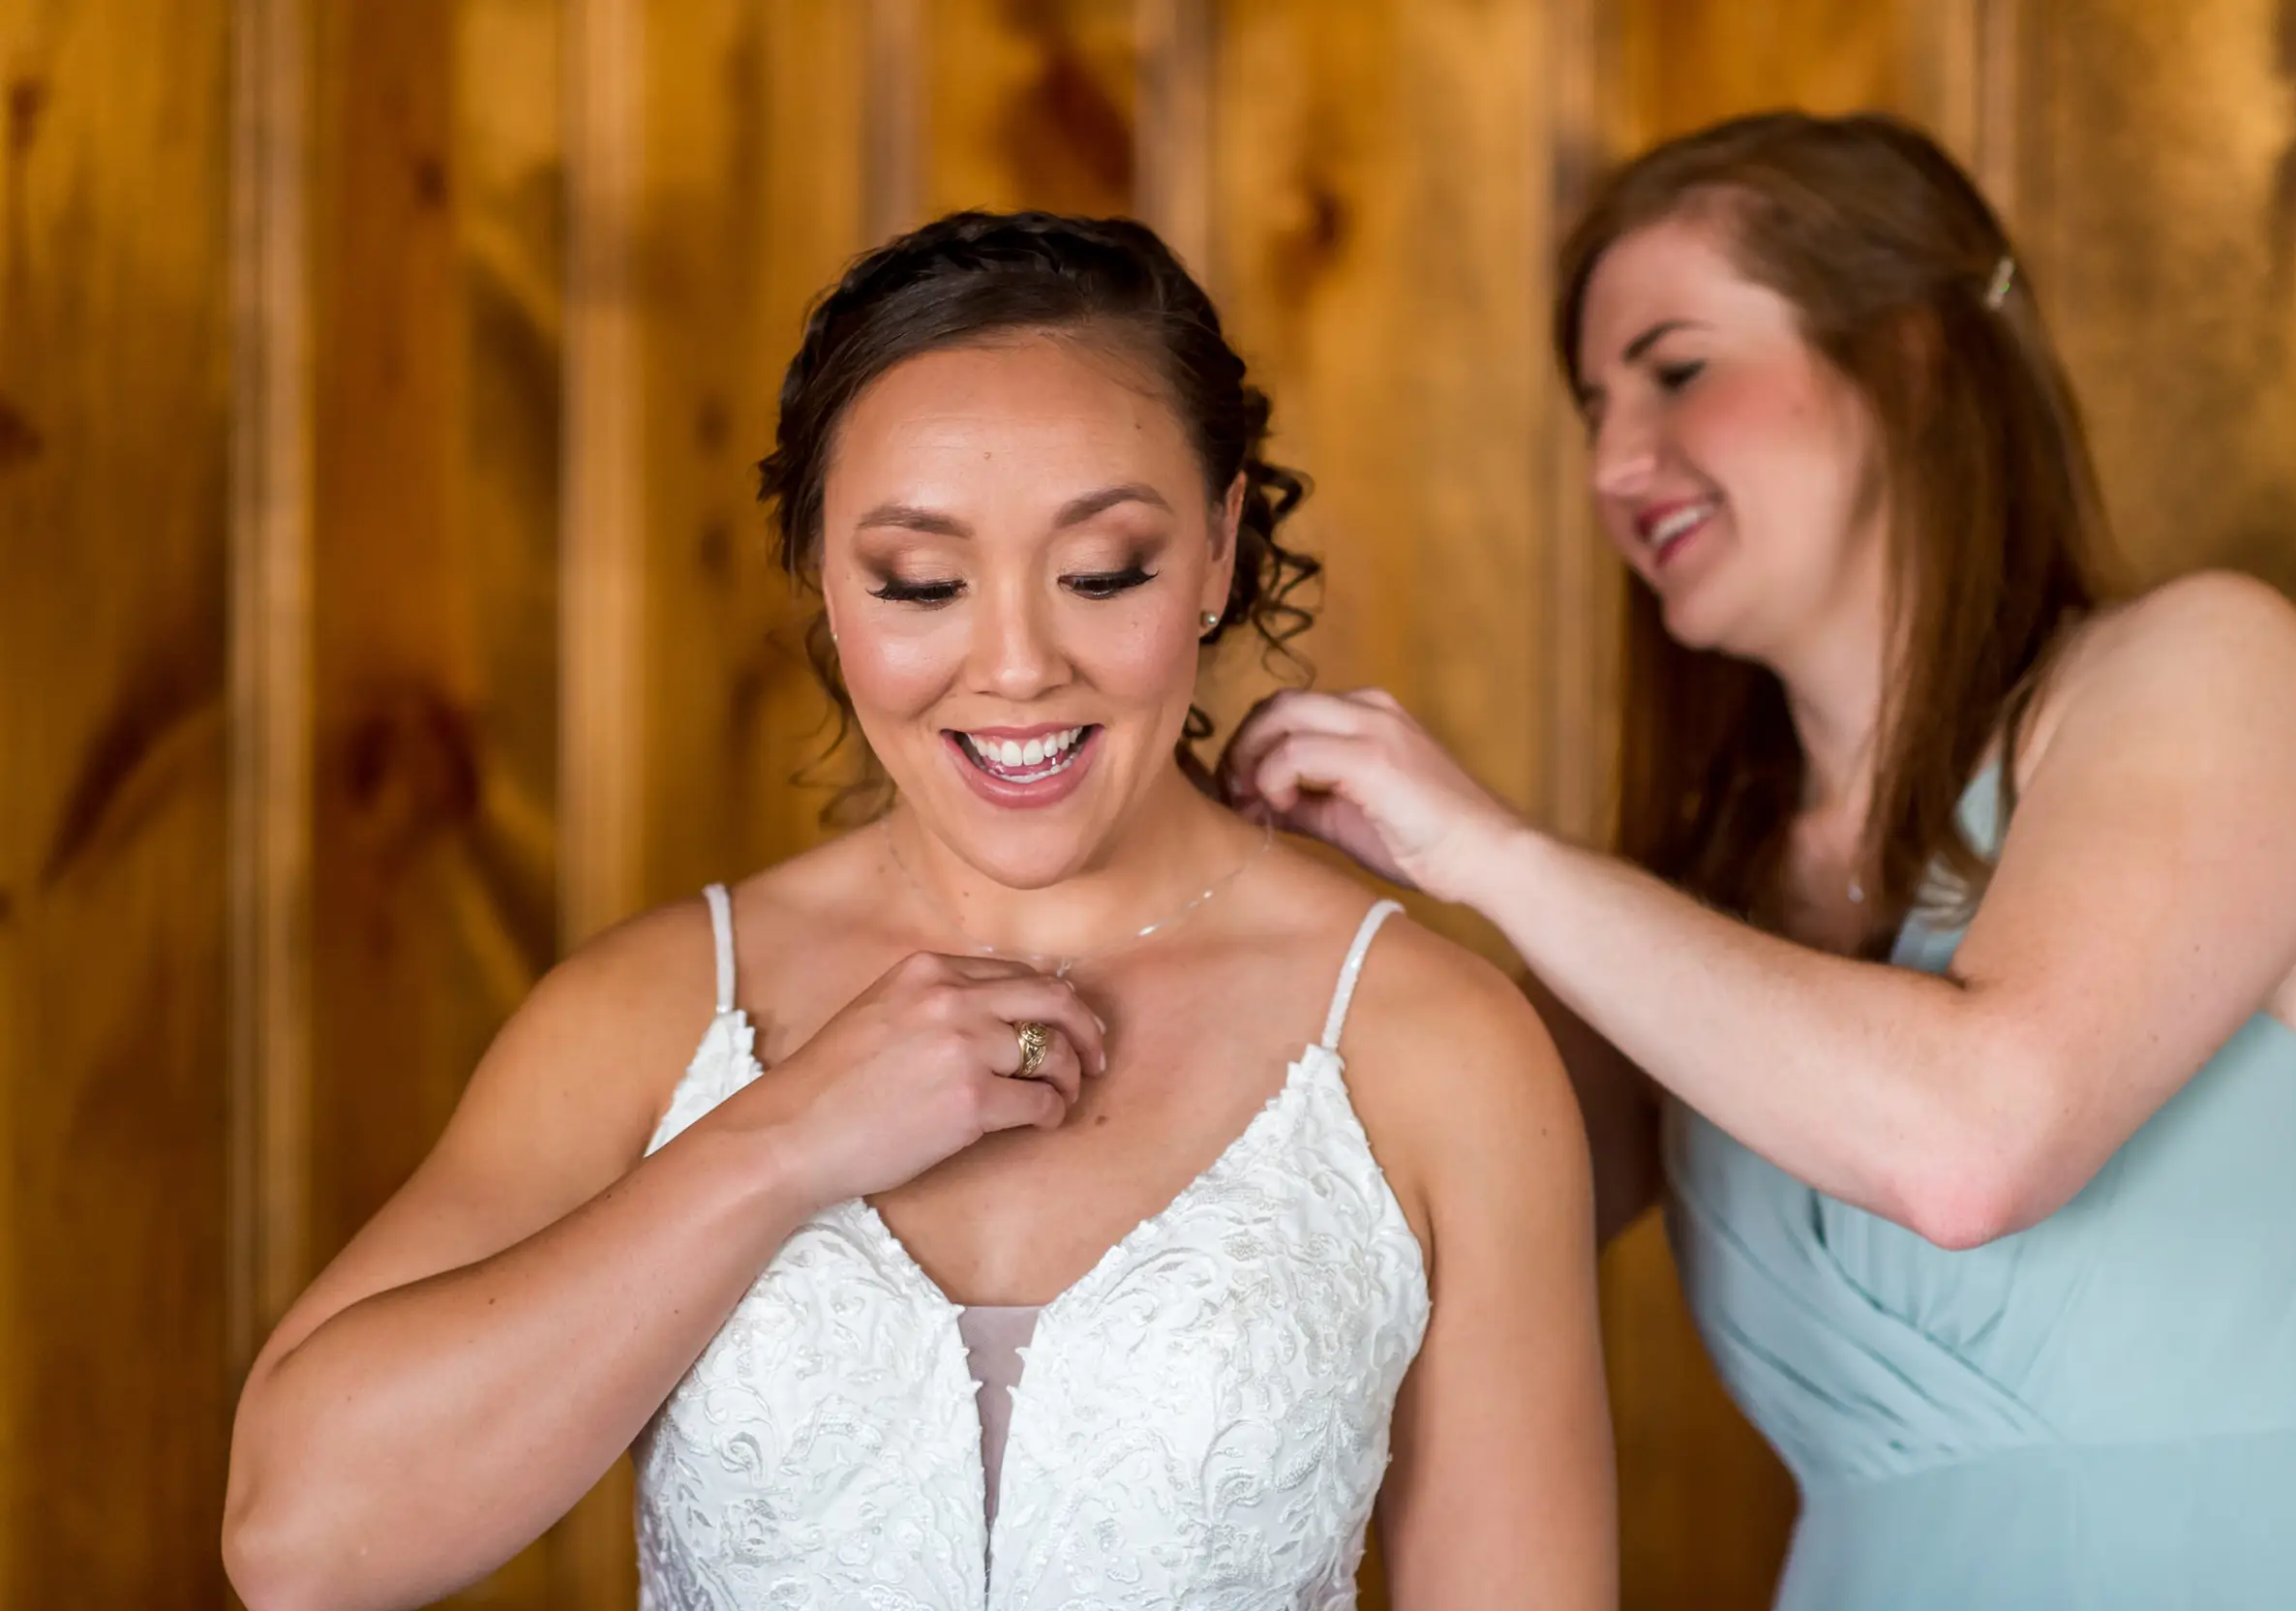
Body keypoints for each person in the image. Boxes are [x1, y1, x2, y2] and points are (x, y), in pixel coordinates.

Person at [221, 212, 1617, 1610]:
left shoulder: (1434, 1047)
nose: (1013, 666)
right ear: (827, 582)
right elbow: (297, 1543)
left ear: (1216, 547)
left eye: (1104, 571)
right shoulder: (647, 1015)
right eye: (922, 583)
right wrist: (781, 1141)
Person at [1223, 110, 2296, 1608]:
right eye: (1594, 407)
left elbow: (1978, 1141)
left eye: (1676, 369)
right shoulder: (1697, 916)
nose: (1612, 462)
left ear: (1910, 358)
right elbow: (1397, 1220)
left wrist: (1489, 853)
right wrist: (1201, 891)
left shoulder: (2216, 668)